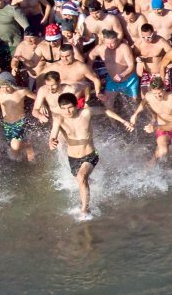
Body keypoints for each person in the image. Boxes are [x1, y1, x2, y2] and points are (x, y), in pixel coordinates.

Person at [47, 91, 135, 219]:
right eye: (64, 109)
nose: (68, 111)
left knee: (82, 177)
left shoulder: (86, 113)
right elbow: (53, 135)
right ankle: (95, 186)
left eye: (70, 107)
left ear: (76, 105)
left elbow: (105, 110)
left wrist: (124, 122)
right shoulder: (59, 119)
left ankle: (85, 210)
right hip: (72, 158)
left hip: (90, 154)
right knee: (80, 180)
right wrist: (52, 142)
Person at [130, 77, 172, 162]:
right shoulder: (149, 95)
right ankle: (152, 162)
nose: (158, 96)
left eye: (160, 93)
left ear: (164, 88)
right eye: (155, 94)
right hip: (161, 126)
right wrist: (135, 114)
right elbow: (143, 103)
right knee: (163, 151)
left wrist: (155, 127)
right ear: (151, 91)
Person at [0, 72, 36, 161]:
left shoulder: (21, 91)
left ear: (13, 84)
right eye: (2, 87)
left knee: (14, 147)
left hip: (20, 122)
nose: (5, 89)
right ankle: (26, 147)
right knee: (13, 147)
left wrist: (41, 106)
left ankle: (22, 153)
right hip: (7, 124)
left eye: (8, 86)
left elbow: (37, 98)